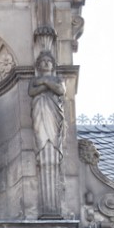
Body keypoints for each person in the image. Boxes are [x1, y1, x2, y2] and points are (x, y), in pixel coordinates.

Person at [28, 50, 66, 212]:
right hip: (40, 111)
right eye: (42, 61)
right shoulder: (35, 80)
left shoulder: (56, 78)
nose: (45, 63)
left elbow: (61, 90)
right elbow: (31, 92)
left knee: (51, 146)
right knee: (42, 139)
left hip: (53, 111)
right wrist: (46, 84)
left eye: (48, 61)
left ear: (53, 64)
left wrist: (43, 82)